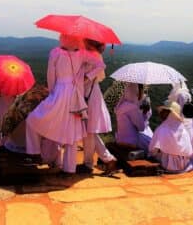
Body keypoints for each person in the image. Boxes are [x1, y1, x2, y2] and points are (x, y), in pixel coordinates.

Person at [26, 34, 105, 174]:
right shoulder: (82, 54)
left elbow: (51, 75)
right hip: (75, 95)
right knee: (72, 132)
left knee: (33, 119)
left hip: (59, 91)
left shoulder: (55, 52)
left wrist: (51, 93)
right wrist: (87, 77)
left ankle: (35, 152)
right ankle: (69, 168)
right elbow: (101, 65)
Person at [77, 39, 117, 173]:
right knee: (90, 131)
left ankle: (88, 164)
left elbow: (100, 67)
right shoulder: (91, 54)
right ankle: (108, 159)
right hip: (91, 94)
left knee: (88, 131)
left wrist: (86, 77)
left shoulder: (93, 56)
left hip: (90, 96)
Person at [149, 101, 193, 173]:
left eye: (164, 111)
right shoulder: (183, 129)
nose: (161, 113)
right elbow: (189, 152)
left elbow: (152, 150)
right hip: (183, 164)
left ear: (170, 113)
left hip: (165, 164)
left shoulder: (162, 128)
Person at [114, 83, 153, 153]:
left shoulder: (121, 105)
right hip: (132, 142)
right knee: (152, 146)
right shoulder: (132, 108)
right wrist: (145, 114)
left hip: (120, 139)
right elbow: (141, 128)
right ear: (136, 92)